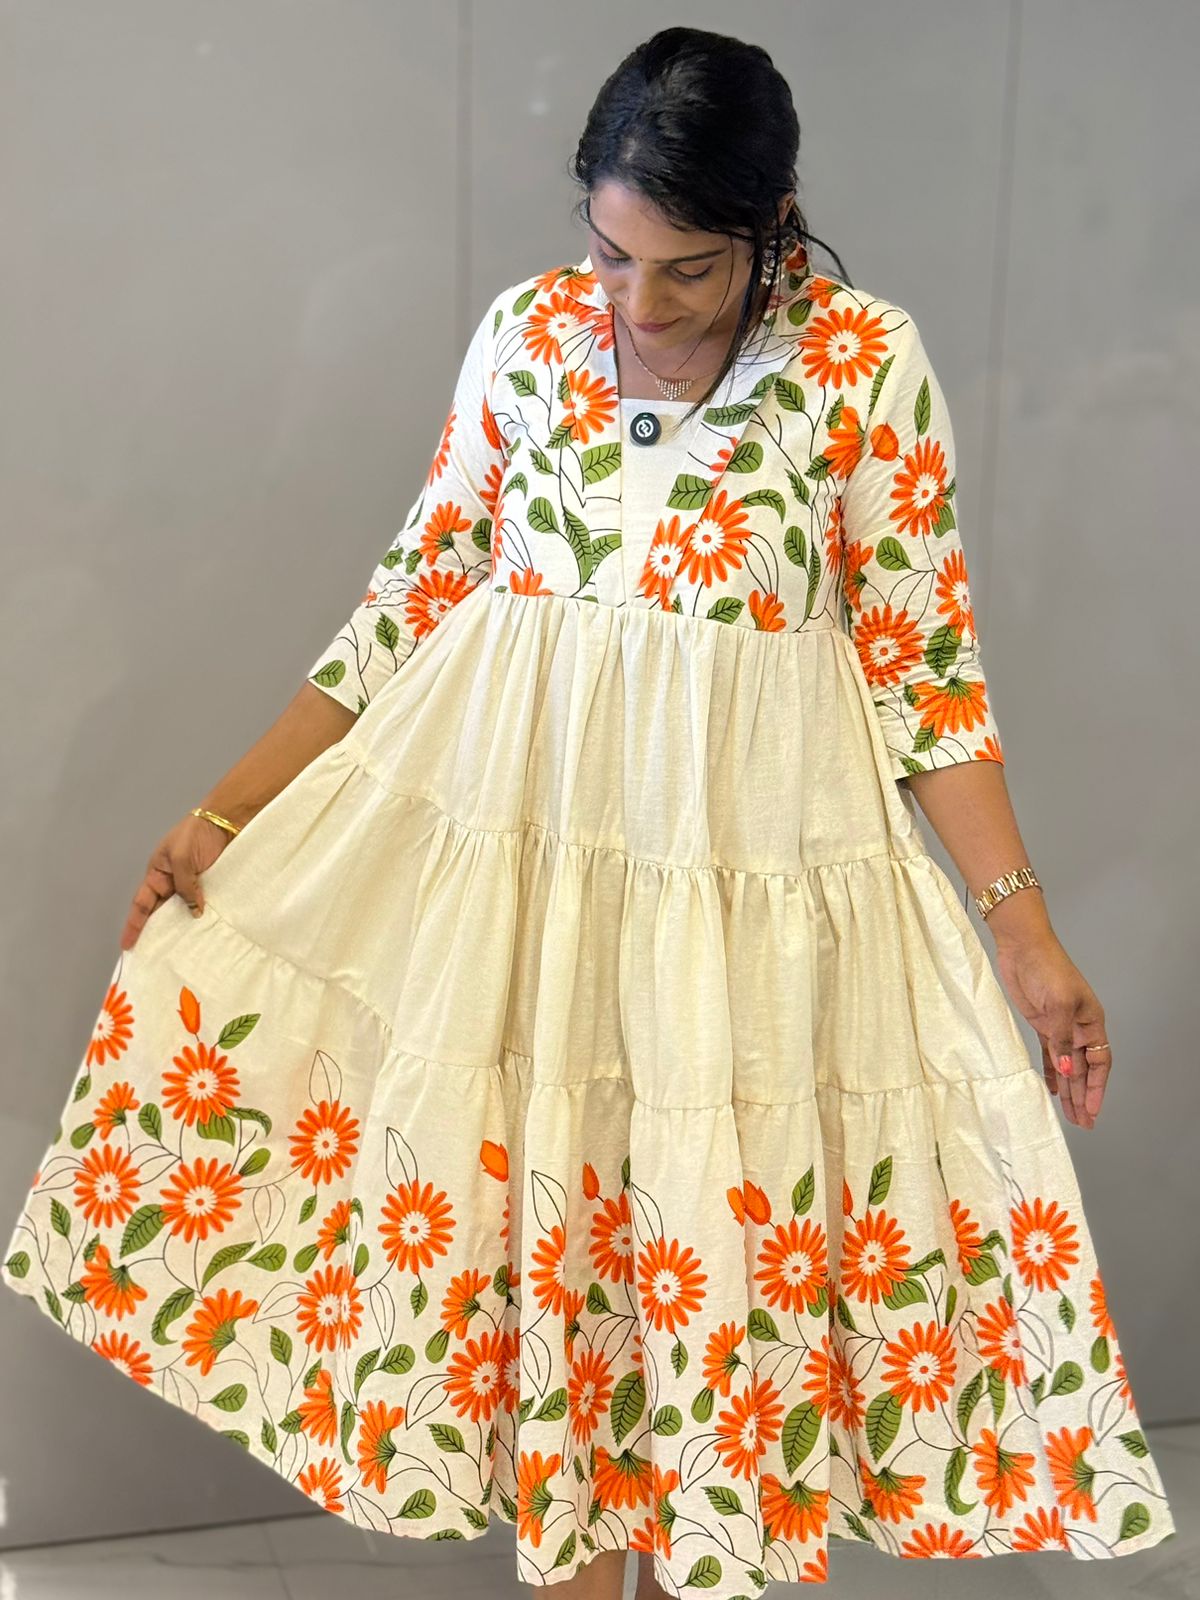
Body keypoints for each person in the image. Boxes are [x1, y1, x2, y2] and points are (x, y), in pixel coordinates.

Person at [1, 25, 1176, 1600]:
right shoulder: (529, 336)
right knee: (567, 1327)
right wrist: (228, 807)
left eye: (689, 269)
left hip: (739, 925)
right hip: (540, 910)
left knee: (704, 1314)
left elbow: (927, 672)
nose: (641, 304)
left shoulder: (859, 365)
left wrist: (1024, 936)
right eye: (613, 254)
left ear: (773, 222)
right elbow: (414, 592)